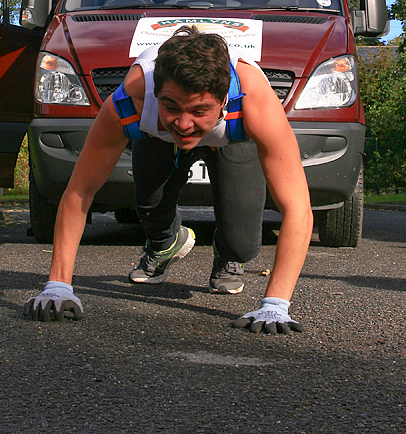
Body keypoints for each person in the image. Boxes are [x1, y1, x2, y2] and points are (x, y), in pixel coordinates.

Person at [24, 26, 313, 334]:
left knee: (242, 243)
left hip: (231, 137)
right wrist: (57, 286)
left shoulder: (255, 99)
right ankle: (167, 243)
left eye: (199, 110)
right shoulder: (131, 99)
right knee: (149, 206)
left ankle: (228, 255)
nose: (185, 124)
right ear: (156, 93)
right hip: (157, 136)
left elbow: (298, 208)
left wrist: (276, 305)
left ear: (224, 99)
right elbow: (79, 191)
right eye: (171, 106)